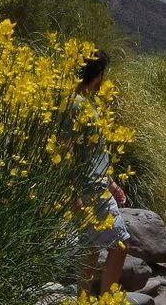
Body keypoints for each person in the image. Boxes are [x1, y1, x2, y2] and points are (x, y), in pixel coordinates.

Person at [72, 50, 130, 295]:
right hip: (89, 190)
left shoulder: (82, 102)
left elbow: (91, 154)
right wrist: (73, 193)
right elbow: (67, 152)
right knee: (120, 244)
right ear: (99, 75)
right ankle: (107, 299)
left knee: (91, 248)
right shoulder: (76, 105)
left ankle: (83, 299)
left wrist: (111, 183)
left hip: (95, 185)